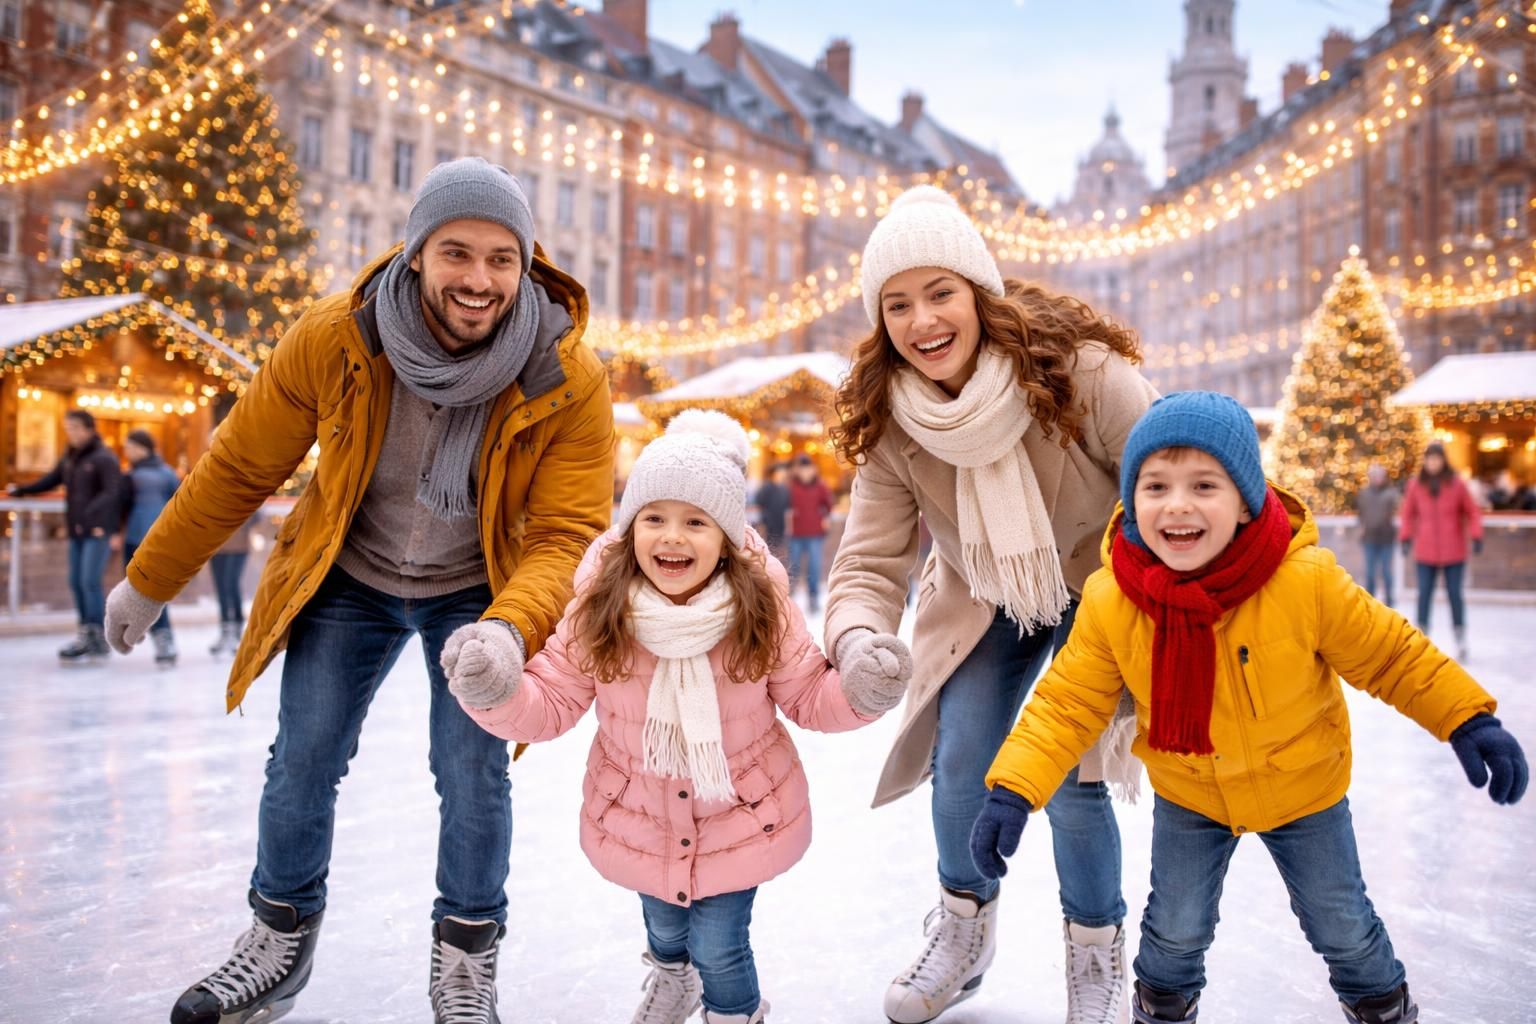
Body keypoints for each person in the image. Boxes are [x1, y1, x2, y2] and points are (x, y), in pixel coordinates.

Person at [101, 157, 615, 1024]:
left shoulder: (564, 373)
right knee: (302, 759)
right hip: (352, 576)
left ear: (525, 265)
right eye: (457, 253)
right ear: (416, 253)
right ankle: (278, 940)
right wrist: (150, 580)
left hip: (477, 592)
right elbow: (238, 466)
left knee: (473, 772)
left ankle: (466, 958)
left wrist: (508, 629)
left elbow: (567, 533)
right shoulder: (337, 338)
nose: (479, 280)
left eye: (501, 258)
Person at [973, 391, 1527, 1024]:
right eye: (1155, 486)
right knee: (1175, 929)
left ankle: (1380, 1004)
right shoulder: (1113, 599)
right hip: (1192, 794)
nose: (1177, 504)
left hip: (1305, 790)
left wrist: (1467, 717)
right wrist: (1012, 790)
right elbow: (1066, 704)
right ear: (1132, 501)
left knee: (1341, 922)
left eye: (1204, 484)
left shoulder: (1304, 581)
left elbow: (1392, 656)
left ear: (1244, 501)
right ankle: (1162, 1006)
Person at [449, 411, 911, 1024]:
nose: (672, 537)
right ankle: (672, 977)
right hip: (638, 814)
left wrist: (861, 690)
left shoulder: (758, 606)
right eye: (654, 519)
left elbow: (807, 693)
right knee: (666, 930)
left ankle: (731, 1011)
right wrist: (494, 690)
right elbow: (553, 698)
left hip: (739, 815)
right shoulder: (602, 606)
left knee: (719, 948)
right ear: (631, 526)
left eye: (696, 522)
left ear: (725, 538)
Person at [824, 185, 1159, 1024]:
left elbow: (1164, 481)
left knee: (1074, 776)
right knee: (964, 761)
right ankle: (965, 930)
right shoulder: (892, 419)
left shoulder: (1080, 373)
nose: (922, 320)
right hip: (985, 593)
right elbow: (867, 561)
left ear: (979, 293)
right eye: (896, 304)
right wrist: (859, 635)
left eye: (940, 293)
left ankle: (1096, 950)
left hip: (1101, 583)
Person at [7, 408, 122, 663]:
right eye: (67, 429)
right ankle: (85, 630)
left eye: (75, 429)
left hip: (97, 529)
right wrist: (22, 491)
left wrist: (92, 518)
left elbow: (112, 493)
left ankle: (95, 635)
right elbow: (51, 480)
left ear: (89, 429)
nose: (71, 434)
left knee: (89, 581)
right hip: (77, 530)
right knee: (76, 581)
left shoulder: (104, 458)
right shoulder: (71, 458)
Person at [1399, 441, 1482, 662]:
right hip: (1425, 551)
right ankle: (1420, 641)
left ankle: (1460, 638)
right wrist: (1405, 536)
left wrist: (1476, 535)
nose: (1433, 462)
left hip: (1454, 551)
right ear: (1425, 461)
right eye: (1429, 458)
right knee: (1424, 595)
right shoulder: (1416, 485)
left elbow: (1472, 512)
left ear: (1443, 460)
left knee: (1455, 595)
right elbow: (1408, 513)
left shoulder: (1456, 484)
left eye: (1437, 458)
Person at [120, 429, 181, 667]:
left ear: (140, 448)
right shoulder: (139, 473)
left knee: (150, 593)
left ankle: (163, 638)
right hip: (142, 539)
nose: (127, 452)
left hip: (151, 540)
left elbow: (177, 504)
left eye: (129, 447)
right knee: (148, 593)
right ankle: (162, 638)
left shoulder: (148, 474)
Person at [207, 509, 260, 657]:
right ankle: (225, 630)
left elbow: (257, 513)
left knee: (231, 584)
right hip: (216, 545)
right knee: (221, 589)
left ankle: (236, 630)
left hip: (238, 545)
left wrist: (239, 522)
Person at [784, 453, 832, 612]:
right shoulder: (791, 486)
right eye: (801, 469)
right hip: (796, 533)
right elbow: (784, 505)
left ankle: (813, 597)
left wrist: (825, 518)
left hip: (814, 533)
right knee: (793, 566)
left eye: (807, 469)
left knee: (814, 567)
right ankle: (789, 599)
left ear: (813, 470)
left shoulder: (820, 486)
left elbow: (829, 505)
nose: (804, 472)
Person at [1354, 462, 1399, 608]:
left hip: (1386, 538)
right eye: (1373, 475)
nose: (1376, 478)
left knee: (1386, 572)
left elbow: (1399, 510)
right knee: (1370, 573)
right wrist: (1361, 528)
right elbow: (1361, 514)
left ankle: (1389, 601)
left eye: (1379, 475)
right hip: (1369, 538)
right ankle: (1370, 602)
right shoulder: (1364, 494)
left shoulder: (1391, 493)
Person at [752, 461, 790, 559]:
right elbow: (759, 503)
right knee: (768, 547)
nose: (783, 473)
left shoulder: (784, 488)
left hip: (780, 523)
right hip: (768, 523)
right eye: (780, 471)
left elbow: (787, 506)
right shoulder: (766, 487)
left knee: (779, 548)